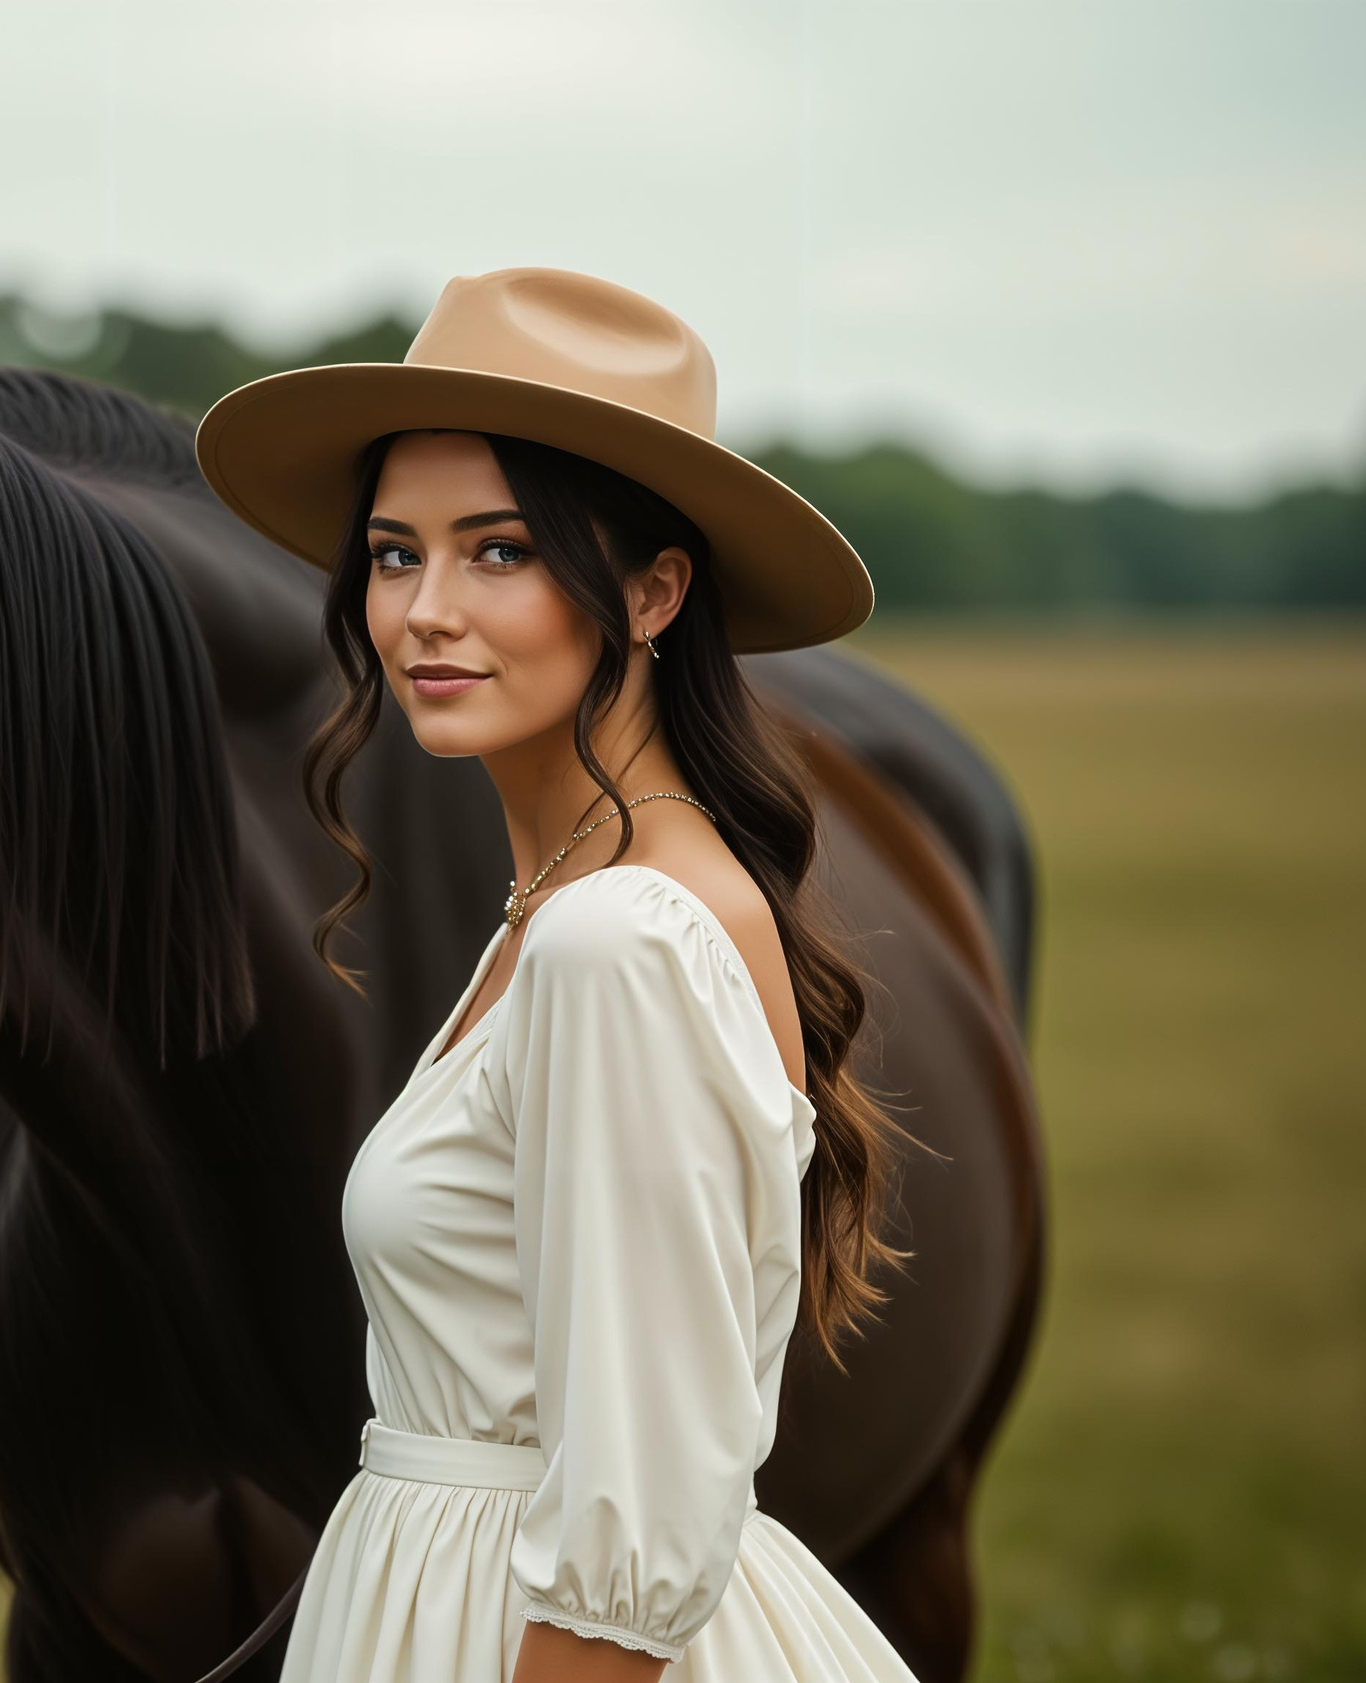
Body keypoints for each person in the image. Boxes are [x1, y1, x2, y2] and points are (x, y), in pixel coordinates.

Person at [193, 269, 920, 1683]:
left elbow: (635, 1521)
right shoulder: (560, 903)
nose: (424, 613)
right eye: (396, 554)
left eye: (502, 551)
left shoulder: (619, 940)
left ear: (652, 592)